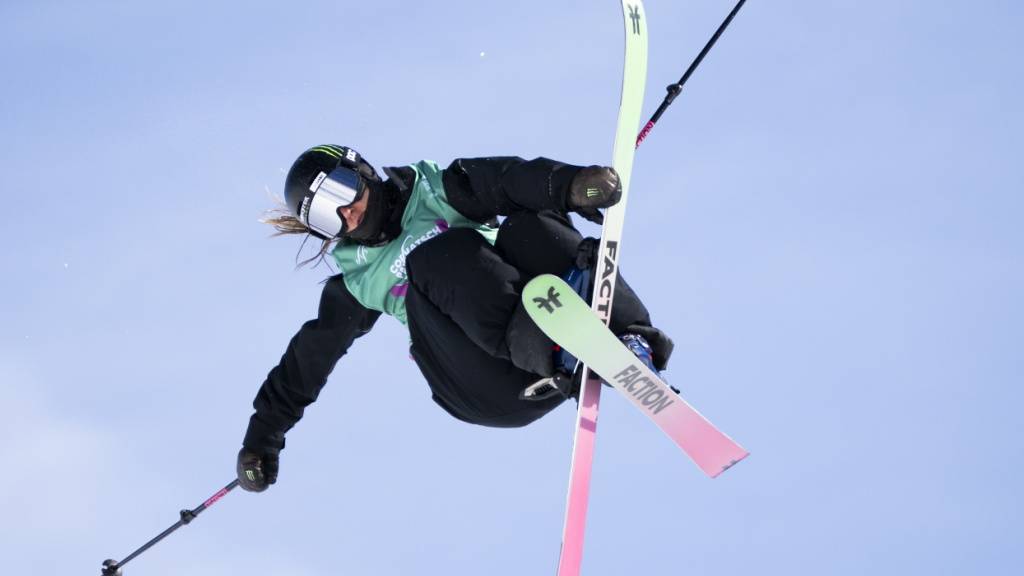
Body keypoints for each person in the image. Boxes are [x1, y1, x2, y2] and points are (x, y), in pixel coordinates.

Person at [236, 144, 674, 492]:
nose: (345, 213)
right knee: (434, 259)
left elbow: (506, 181)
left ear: (363, 170)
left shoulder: (434, 188)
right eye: (324, 218)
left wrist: (571, 186)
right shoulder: (356, 283)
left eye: (340, 192)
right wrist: (261, 439)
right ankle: (563, 351)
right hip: (484, 384)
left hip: (541, 338)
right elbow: (306, 362)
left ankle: (627, 342)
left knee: (529, 225)